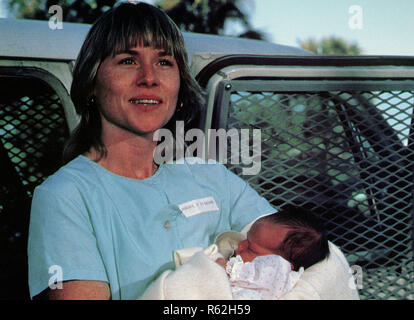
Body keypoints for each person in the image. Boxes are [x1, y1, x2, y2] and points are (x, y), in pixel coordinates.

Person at [27, 1, 275, 300]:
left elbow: (306, 258)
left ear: (179, 87)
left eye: (164, 62)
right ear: (92, 82)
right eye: (128, 61)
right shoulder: (65, 196)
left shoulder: (213, 177)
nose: (149, 77)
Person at [218, 208, 331, 299]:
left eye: (251, 248)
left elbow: (245, 275)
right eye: (247, 239)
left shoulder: (279, 269)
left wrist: (224, 267)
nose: (241, 245)